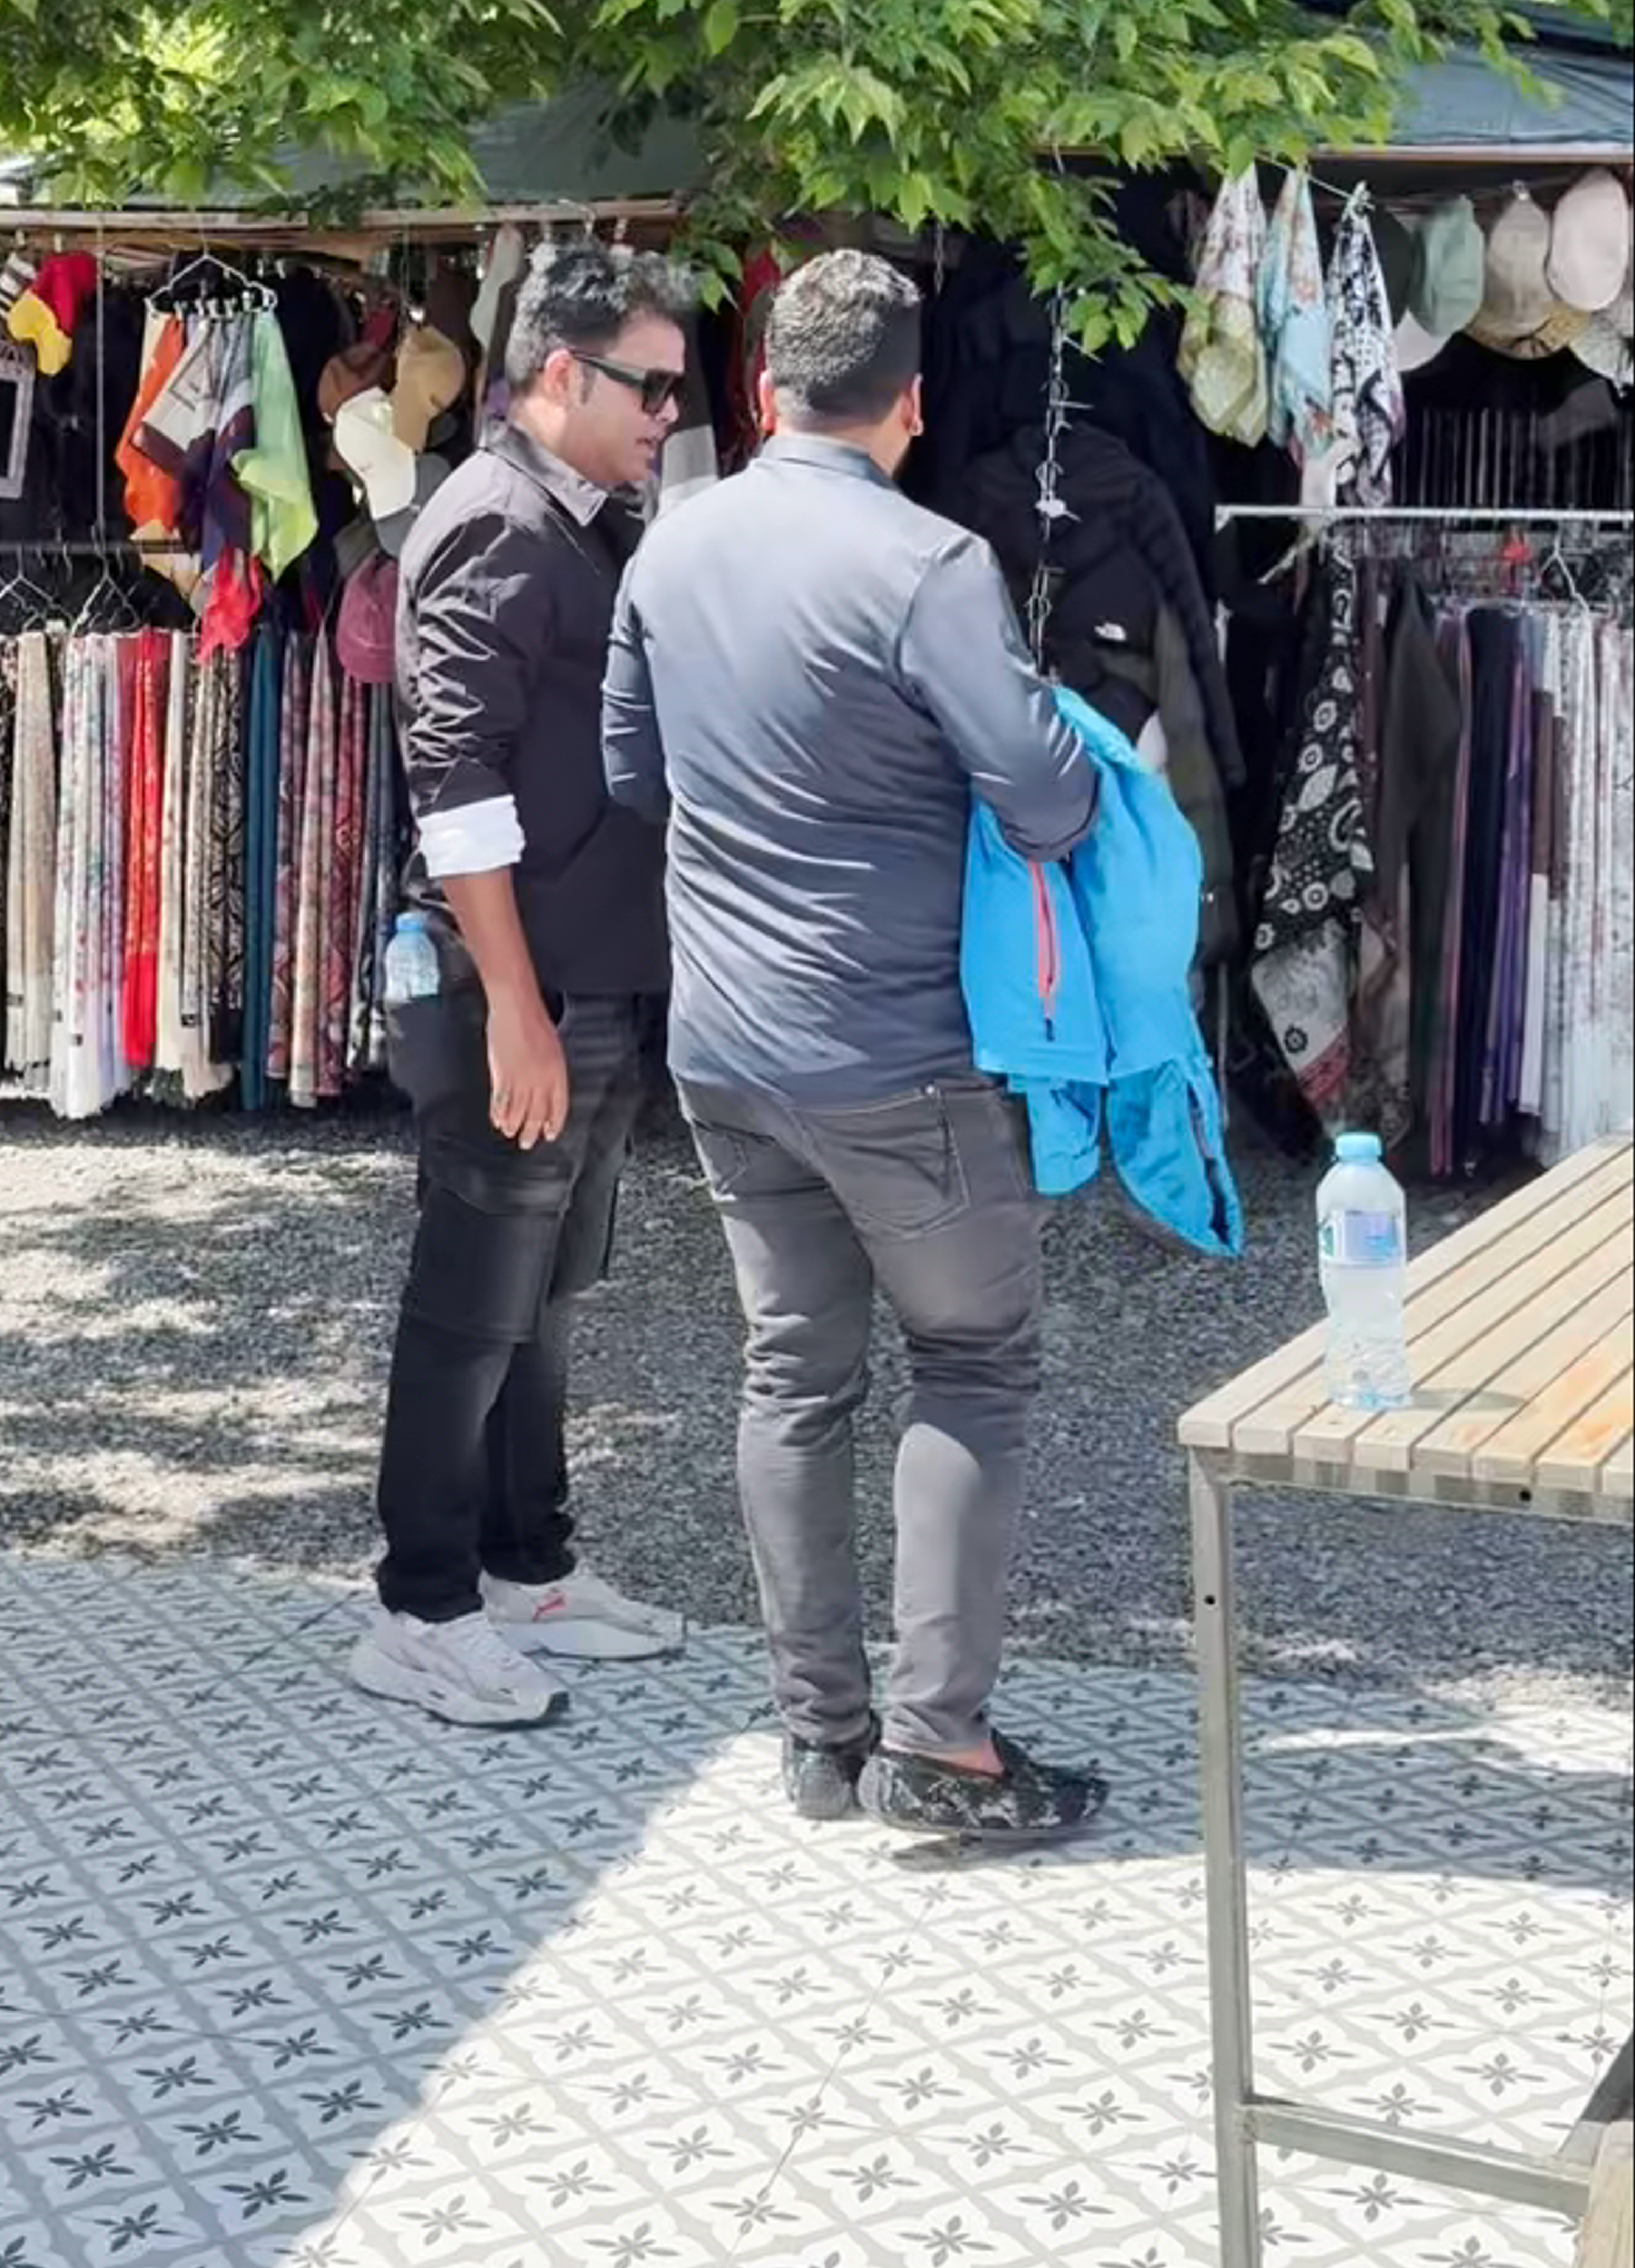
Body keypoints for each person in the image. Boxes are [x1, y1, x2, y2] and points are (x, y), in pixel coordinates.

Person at [602, 249, 1107, 1838]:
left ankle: (821, 1742)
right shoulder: (932, 564)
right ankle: (941, 1743)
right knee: (974, 1359)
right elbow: (1046, 798)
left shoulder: (671, 545)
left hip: (727, 1045)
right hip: (899, 1050)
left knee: (794, 1374)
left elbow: (632, 776)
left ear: (763, 393)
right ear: (913, 405)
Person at [351, 240, 694, 1729]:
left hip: (585, 976)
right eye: (650, 387)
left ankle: (525, 1568)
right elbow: (456, 779)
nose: (670, 414)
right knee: (473, 1298)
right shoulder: (497, 521)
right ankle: (421, 1606)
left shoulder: (582, 520)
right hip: (516, 983)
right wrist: (516, 1007)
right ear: (562, 371)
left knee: (543, 1295)